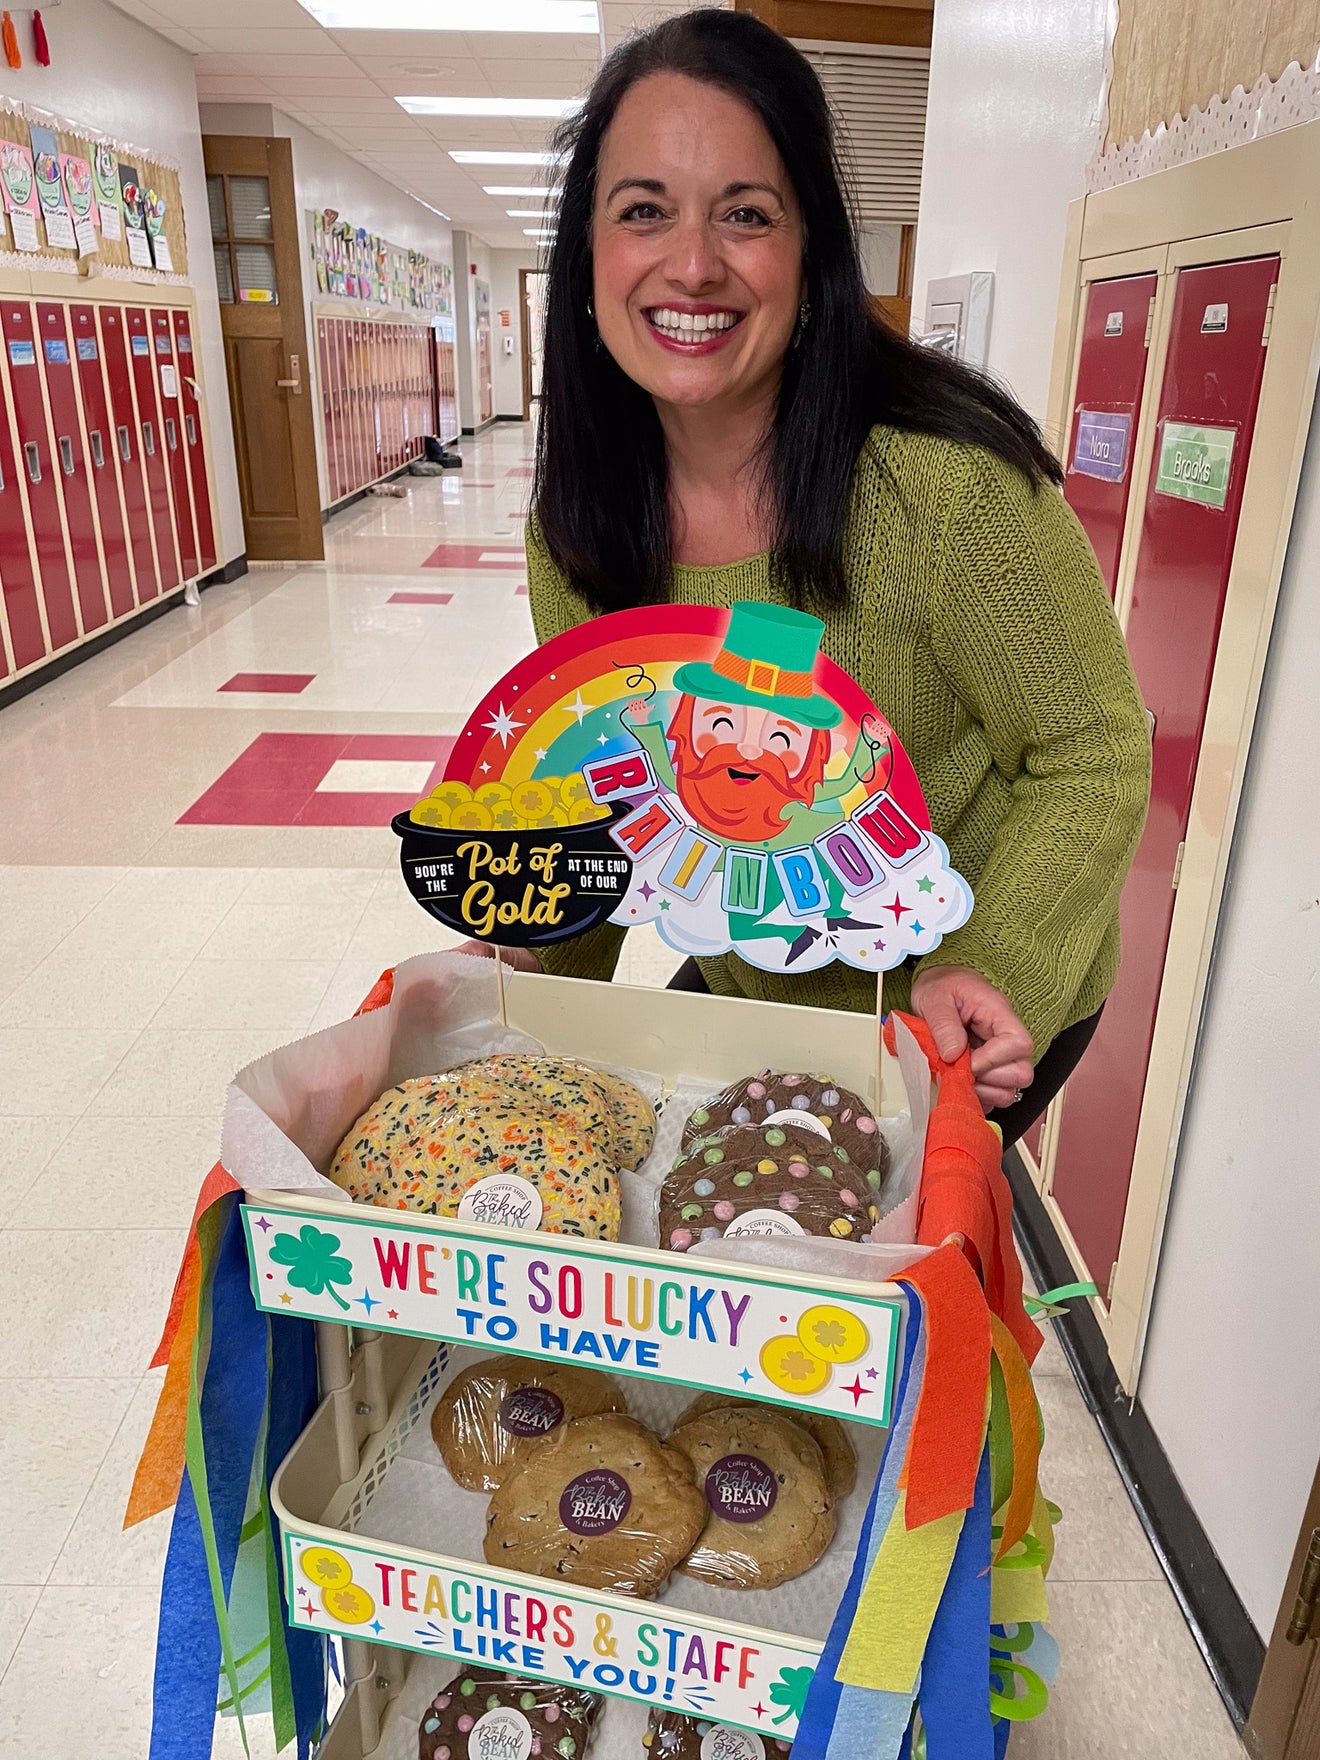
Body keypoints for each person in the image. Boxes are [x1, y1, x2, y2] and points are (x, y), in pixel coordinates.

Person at [472, 8, 1152, 1145]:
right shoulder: (582, 528)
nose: (694, 264)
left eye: (746, 213)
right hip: (754, 958)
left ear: (812, 254)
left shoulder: (947, 491)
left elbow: (1093, 749)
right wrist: (531, 948)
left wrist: (999, 962)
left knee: (858, 1240)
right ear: (587, 255)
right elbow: (611, 793)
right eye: (643, 211)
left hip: (952, 995)